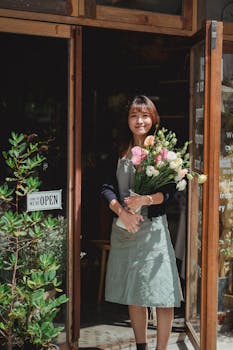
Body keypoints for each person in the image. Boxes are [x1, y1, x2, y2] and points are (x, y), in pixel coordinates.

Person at [101, 95, 183, 350]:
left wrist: (145, 199)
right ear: (127, 121)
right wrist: (122, 212)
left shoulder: (162, 152)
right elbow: (105, 187)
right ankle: (141, 347)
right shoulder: (119, 149)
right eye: (134, 116)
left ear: (153, 119)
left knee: (162, 293)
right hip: (126, 230)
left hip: (153, 230)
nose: (140, 121)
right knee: (135, 293)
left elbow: (172, 191)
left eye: (145, 115)